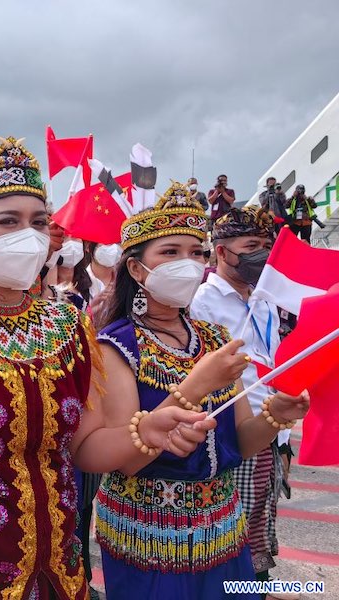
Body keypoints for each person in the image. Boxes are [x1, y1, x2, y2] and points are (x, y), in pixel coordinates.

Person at [0, 138, 224, 599]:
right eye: (9, 222)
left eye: (38, 222)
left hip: (57, 570)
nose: (30, 235)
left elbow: (86, 448)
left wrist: (146, 432)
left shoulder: (69, 323)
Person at [94, 183, 309, 600]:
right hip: (149, 536)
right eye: (170, 253)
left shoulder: (214, 338)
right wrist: (197, 385)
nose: (189, 264)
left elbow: (241, 440)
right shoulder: (115, 345)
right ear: (137, 270)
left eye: (196, 252)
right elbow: (125, 460)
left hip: (224, 530)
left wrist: (276, 416)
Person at [191, 207, 292, 590]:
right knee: (231, 532)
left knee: (261, 523)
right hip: (231, 430)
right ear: (222, 251)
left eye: (266, 246)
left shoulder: (263, 299)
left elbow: (272, 364)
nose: (261, 255)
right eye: (251, 246)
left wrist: (282, 439)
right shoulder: (203, 302)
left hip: (269, 426)